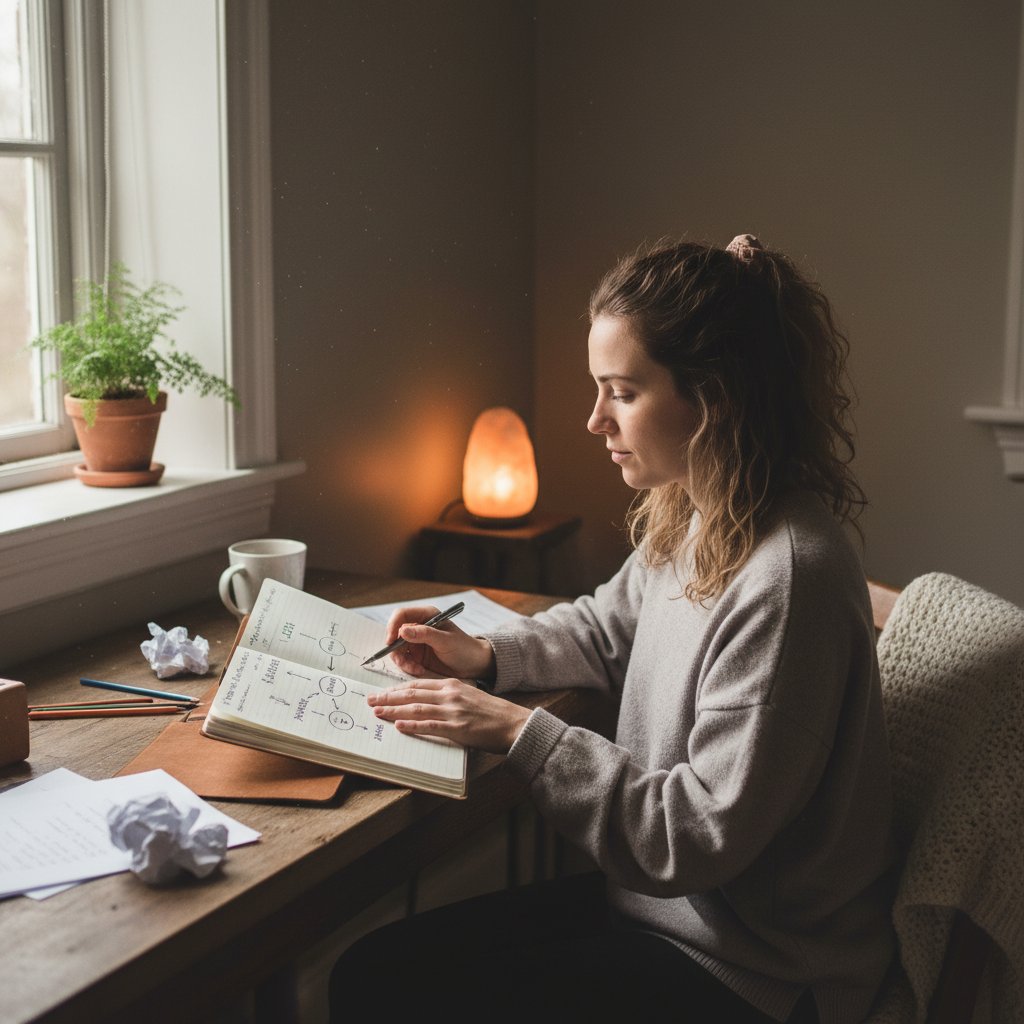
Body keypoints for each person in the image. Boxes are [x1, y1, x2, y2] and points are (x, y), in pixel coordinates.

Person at [329, 234, 896, 1023]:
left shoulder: (785, 579)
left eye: (622, 392)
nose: (594, 419)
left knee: (380, 984)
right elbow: (605, 625)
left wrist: (517, 731)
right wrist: (487, 654)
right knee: (374, 968)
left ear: (715, 396)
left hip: (757, 973)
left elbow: (690, 835)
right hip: (670, 918)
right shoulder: (701, 515)